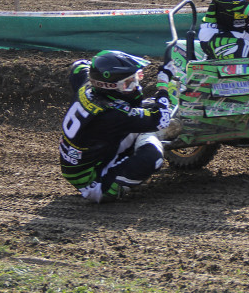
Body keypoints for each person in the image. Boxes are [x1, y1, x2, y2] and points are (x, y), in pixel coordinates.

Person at [59, 51, 175, 203]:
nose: (135, 87)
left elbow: (78, 66)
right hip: (94, 182)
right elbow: (161, 119)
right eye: (128, 83)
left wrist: (99, 68)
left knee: (145, 107)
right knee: (153, 156)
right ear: (109, 86)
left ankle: (136, 143)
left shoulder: (88, 83)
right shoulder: (112, 114)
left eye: (136, 79)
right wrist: (163, 83)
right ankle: (110, 190)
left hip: (82, 160)